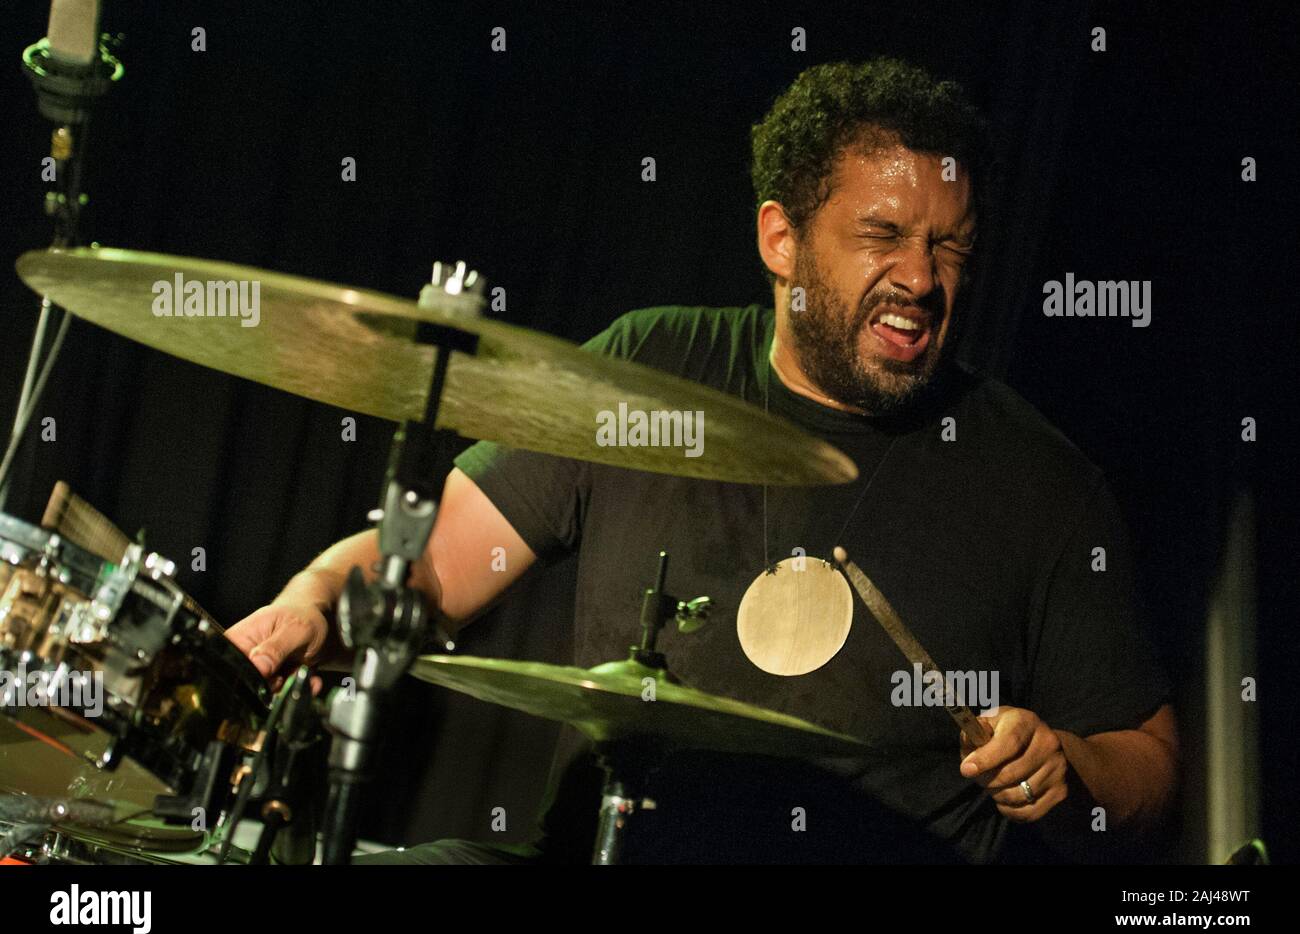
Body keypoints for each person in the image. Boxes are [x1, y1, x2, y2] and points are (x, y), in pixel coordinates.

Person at [225, 58, 1179, 864]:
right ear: (781, 238)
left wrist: (1067, 765)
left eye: (950, 248)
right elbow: (429, 566)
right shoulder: (653, 367)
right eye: (882, 236)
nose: (923, 280)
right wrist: (309, 604)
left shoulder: (1037, 479)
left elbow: (1149, 763)